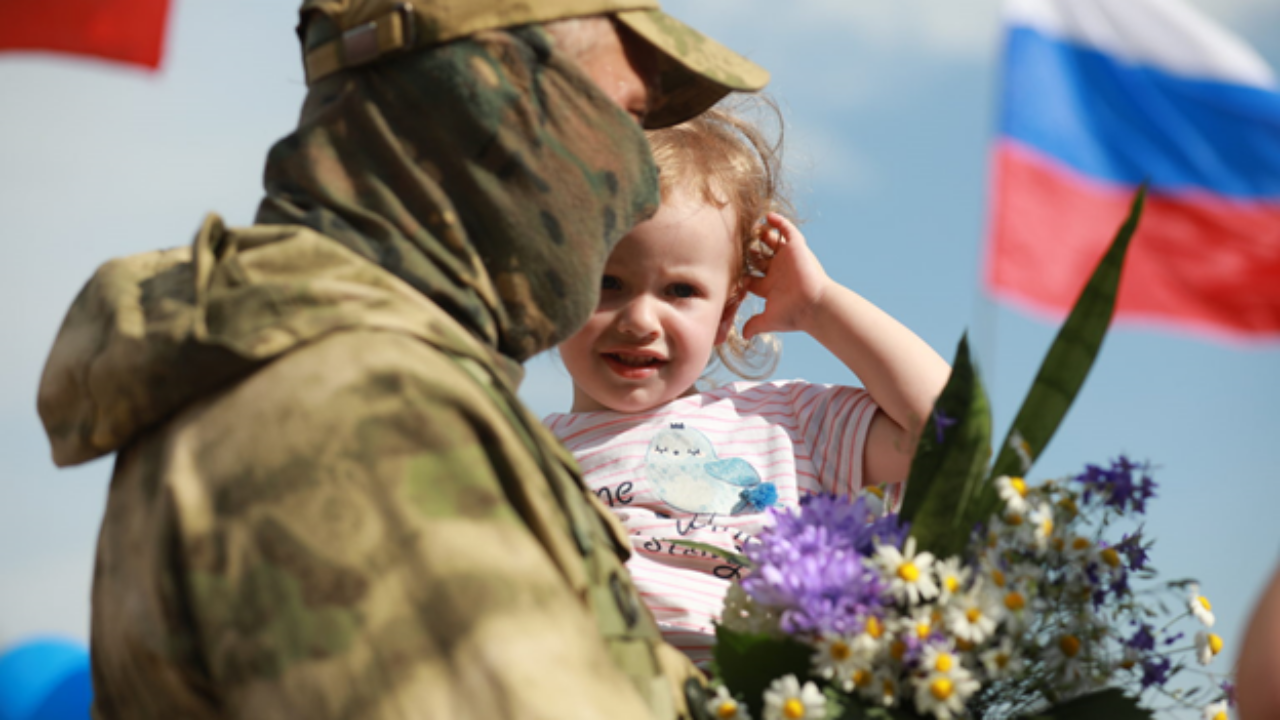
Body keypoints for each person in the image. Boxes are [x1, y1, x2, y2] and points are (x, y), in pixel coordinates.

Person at [35, 1, 770, 718]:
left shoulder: (346, 373)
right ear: (493, 94)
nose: (641, 188)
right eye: (630, 119)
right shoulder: (354, 415)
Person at [542, 104, 951, 665]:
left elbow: (949, 432)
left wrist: (818, 307)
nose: (639, 320)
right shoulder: (523, 455)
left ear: (729, 311)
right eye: (608, 281)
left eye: (680, 291)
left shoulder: (786, 423)